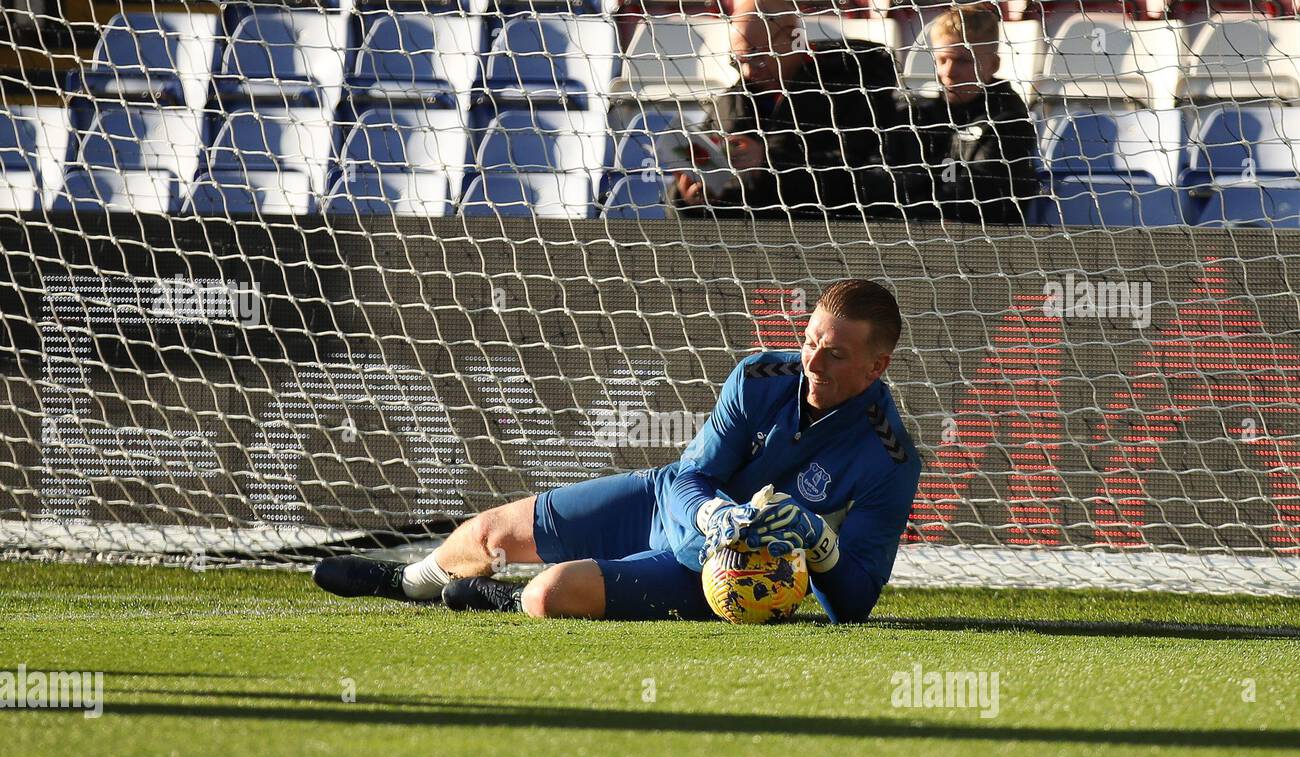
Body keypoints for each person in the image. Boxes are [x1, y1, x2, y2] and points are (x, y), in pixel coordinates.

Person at [313, 279, 921, 624]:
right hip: (667, 506)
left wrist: (818, 542)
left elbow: (856, 603)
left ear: (877, 366)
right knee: (488, 537)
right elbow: (690, 478)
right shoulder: (759, 377)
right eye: (811, 340)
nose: (811, 360)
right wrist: (713, 514)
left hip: (716, 576)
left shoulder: (889, 458)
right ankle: (405, 581)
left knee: (551, 595)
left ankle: (502, 601)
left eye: (835, 354)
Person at [667, 0, 899, 219]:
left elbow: (868, 176)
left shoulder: (851, 87)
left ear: (793, 39)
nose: (747, 73)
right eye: (739, 61)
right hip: (744, 244)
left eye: (757, 59)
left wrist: (768, 162)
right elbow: (694, 198)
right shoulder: (732, 102)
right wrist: (686, 199)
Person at [877, 2, 1040, 224]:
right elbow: (882, 183)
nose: (949, 71)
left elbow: (975, 198)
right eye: (942, 60)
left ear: (993, 64)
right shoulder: (915, 117)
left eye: (963, 60)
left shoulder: (1009, 122)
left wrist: (919, 186)